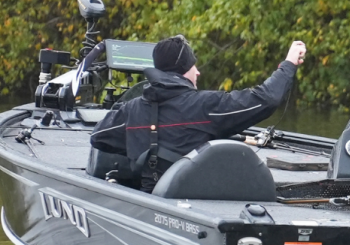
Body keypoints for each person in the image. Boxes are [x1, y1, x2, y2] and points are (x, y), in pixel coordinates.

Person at [90, 35, 305, 192]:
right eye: (194, 66)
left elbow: (99, 137)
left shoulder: (132, 109)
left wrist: (139, 145)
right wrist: (288, 64)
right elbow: (265, 99)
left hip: (150, 199)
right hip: (195, 202)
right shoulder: (205, 106)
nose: (198, 72)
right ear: (183, 69)